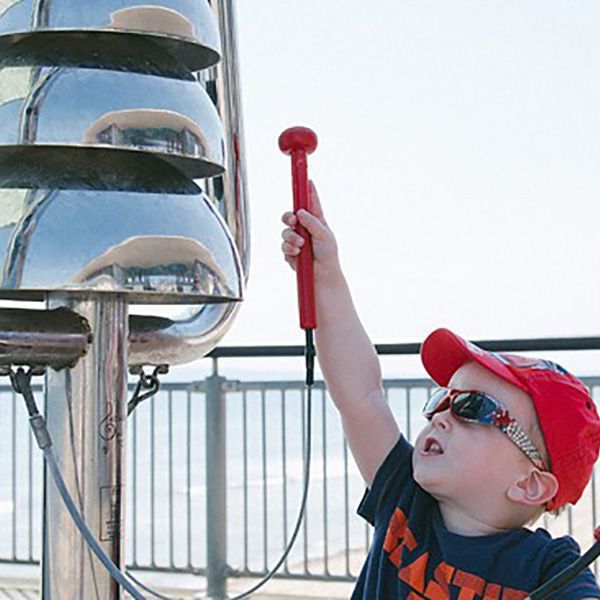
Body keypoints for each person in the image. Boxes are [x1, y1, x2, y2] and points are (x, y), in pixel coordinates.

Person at [280, 181, 600, 599]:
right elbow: (360, 394)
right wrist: (326, 277)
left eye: (472, 407)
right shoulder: (404, 497)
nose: (442, 416)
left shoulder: (553, 569)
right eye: (443, 399)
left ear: (530, 484)